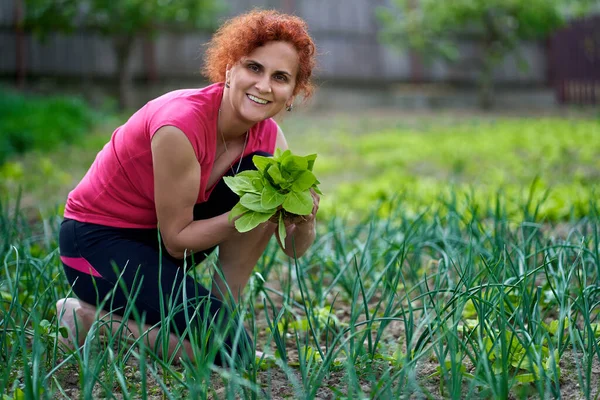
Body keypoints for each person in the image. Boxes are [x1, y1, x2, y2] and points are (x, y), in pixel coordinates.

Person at [56, 9, 319, 366]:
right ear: (230, 69)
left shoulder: (269, 140)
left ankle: (222, 316)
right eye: (253, 68)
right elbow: (177, 241)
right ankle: (89, 318)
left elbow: (292, 249)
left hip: (160, 250)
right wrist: (250, 210)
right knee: (232, 352)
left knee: (228, 347)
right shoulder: (179, 125)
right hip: (96, 244)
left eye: (280, 77)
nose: (263, 85)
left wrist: (305, 219)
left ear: (291, 94)